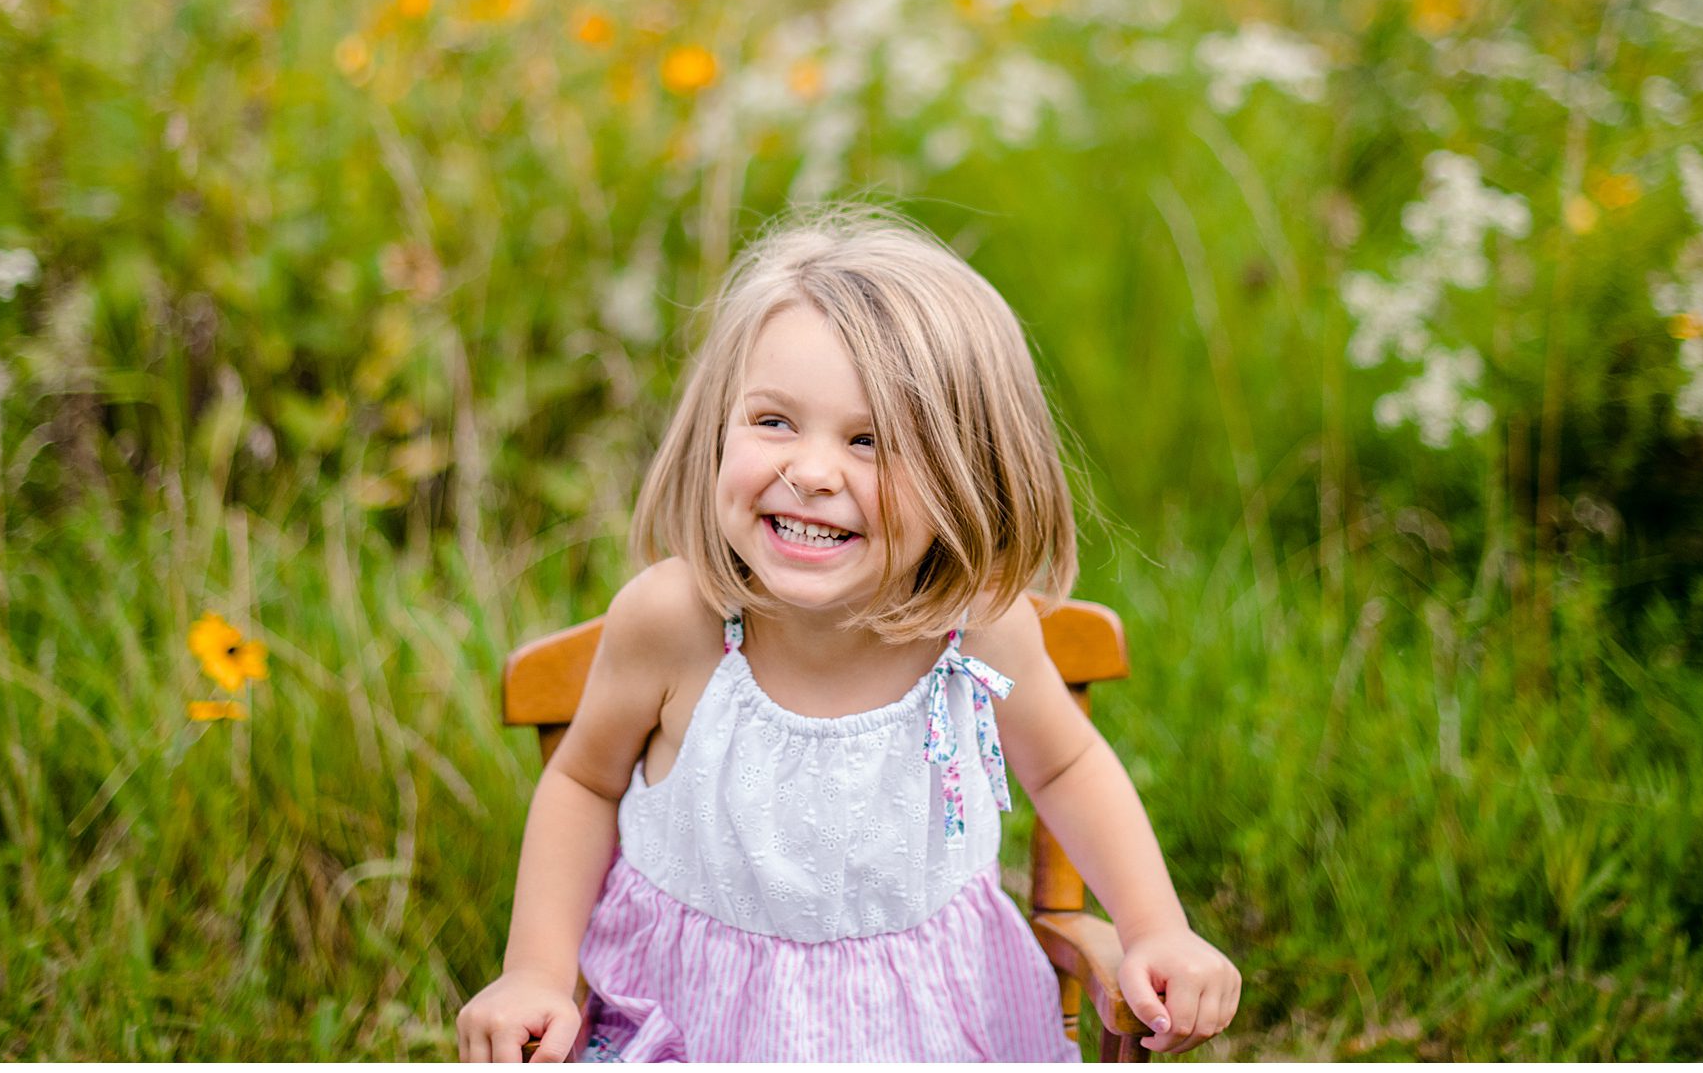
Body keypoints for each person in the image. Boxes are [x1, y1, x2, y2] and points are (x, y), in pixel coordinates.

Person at [458, 206, 1241, 1062]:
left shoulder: (974, 631)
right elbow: (581, 781)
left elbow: (1066, 763)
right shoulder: (676, 623)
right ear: (717, 425)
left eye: (871, 441)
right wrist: (535, 969)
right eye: (773, 421)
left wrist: (1155, 925)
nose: (812, 471)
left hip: (930, 1027)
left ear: (967, 474)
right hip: (701, 1022)